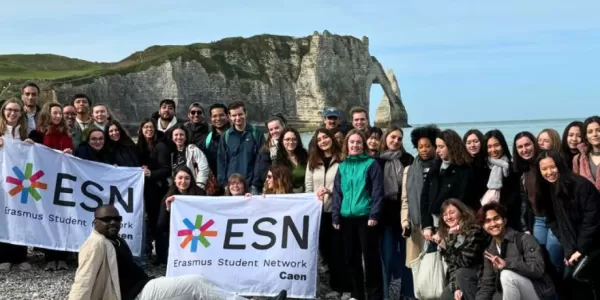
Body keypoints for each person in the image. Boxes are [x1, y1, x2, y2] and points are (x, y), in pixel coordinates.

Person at [68, 204, 286, 300]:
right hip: (139, 295)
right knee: (196, 283)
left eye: (117, 219)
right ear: (95, 222)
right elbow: (83, 281)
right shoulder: (95, 244)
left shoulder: (114, 239)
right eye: (107, 219)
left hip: (146, 286)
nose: (113, 222)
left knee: (200, 292)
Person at [535, 150, 600, 299]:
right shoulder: (547, 189)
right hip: (574, 246)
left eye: (553, 167)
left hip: (593, 244)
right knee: (568, 283)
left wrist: (580, 249)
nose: (549, 172)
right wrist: (569, 248)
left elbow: (592, 221)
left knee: (581, 283)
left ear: (561, 165)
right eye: (544, 169)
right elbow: (553, 221)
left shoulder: (581, 186)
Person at [332, 129, 384, 300]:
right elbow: (338, 193)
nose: (355, 145)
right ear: (347, 145)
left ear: (363, 145)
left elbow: (378, 191)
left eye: (358, 142)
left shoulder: (371, 164)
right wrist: (336, 216)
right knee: (351, 258)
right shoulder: (342, 166)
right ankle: (357, 294)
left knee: (370, 259)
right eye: (352, 142)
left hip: (366, 218)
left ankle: (375, 295)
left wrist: (374, 215)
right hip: (347, 218)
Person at [476, 202, 555, 300]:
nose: (493, 224)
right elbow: (487, 285)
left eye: (496, 218)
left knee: (506, 275)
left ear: (504, 220)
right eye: (487, 221)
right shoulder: (490, 251)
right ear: (484, 226)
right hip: (510, 296)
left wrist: (508, 264)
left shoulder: (524, 239)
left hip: (539, 293)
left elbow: (538, 269)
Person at [436, 199, 488, 300]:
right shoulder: (447, 235)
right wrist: (456, 288)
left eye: (452, 212)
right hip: (461, 277)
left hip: (480, 276)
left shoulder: (474, 229)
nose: (448, 217)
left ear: (462, 212)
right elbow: (452, 266)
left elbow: (465, 262)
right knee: (446, 296)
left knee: (462, 274)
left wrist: (451, 242)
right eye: (445, 214)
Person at [217, 101, 265, 190]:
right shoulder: (226, 136)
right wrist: (224, 184)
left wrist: (256, 184)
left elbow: (261, 161)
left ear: (245, 113)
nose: (238, 118)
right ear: (229, 117)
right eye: (234, 115)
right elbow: (221, 163)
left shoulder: (257, 134)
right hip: (232, 187)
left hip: (252, 186)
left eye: (240, 114)